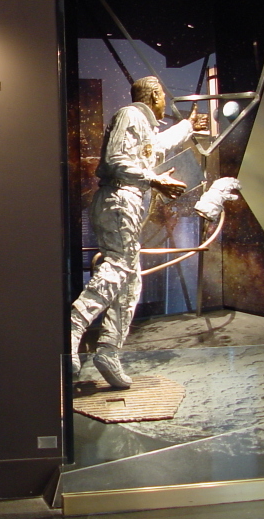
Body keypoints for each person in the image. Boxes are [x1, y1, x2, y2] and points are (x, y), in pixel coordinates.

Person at [70, 76, 204, 388]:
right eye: (163, 97)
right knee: (118, 268)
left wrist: (187, 128)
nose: (164, 104)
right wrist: (154, 180)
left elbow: (156, 147)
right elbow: (115, 160)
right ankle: (72, 328)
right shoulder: (130, 115)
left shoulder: (143, 126)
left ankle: (108, 351)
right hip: (118, 200)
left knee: (130, 281)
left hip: (125, 202)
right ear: (155, 94)